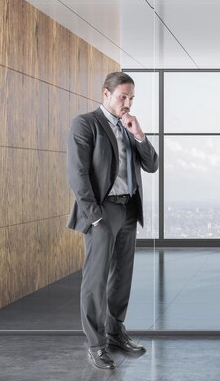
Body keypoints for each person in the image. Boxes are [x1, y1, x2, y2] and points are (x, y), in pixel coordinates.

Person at [66, 72, 159, 370]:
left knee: (122, 276)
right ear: (105, 94)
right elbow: (77, 173)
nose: (128, 103)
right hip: (103, 213)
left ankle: (116, 333)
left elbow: (152, 164)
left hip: (129, 208)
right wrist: (94, 218)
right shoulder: (86, 124)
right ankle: (96, 344)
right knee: (96, 279)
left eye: (131, 98)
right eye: (123, 97)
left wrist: (140, 135)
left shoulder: (129, 126)